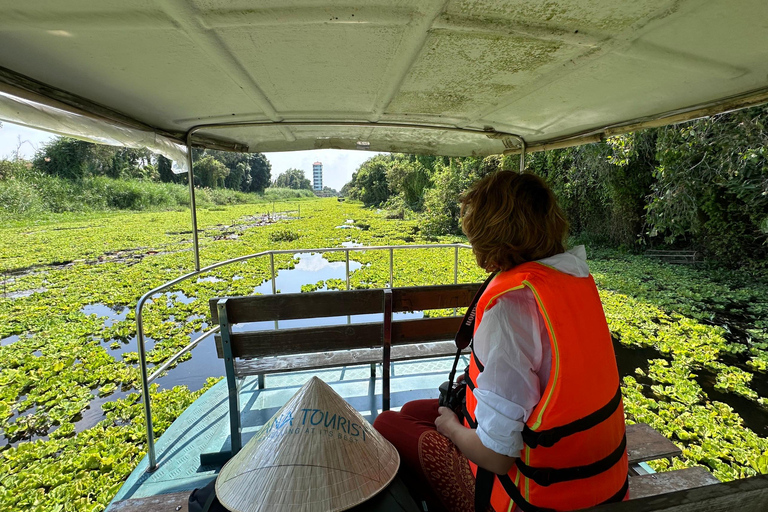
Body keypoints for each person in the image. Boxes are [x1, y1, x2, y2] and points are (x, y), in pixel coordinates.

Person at [373, 171, 628, 512]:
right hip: (599, 485)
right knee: (413, 411)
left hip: (526, 496)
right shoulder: (572, 279)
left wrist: (450, 428)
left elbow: (497, 457)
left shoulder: (512, 307)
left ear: (489, 236)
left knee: (387, 423)